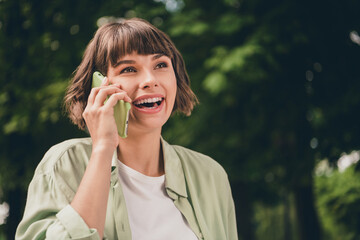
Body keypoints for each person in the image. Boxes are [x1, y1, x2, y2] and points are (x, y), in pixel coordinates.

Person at [15, 18, 238, 240]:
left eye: (160, 65)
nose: (150, 80)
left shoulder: (209, 174)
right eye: (129, 69)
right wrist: (102, 148)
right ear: (99, 86)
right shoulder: (65, 163)